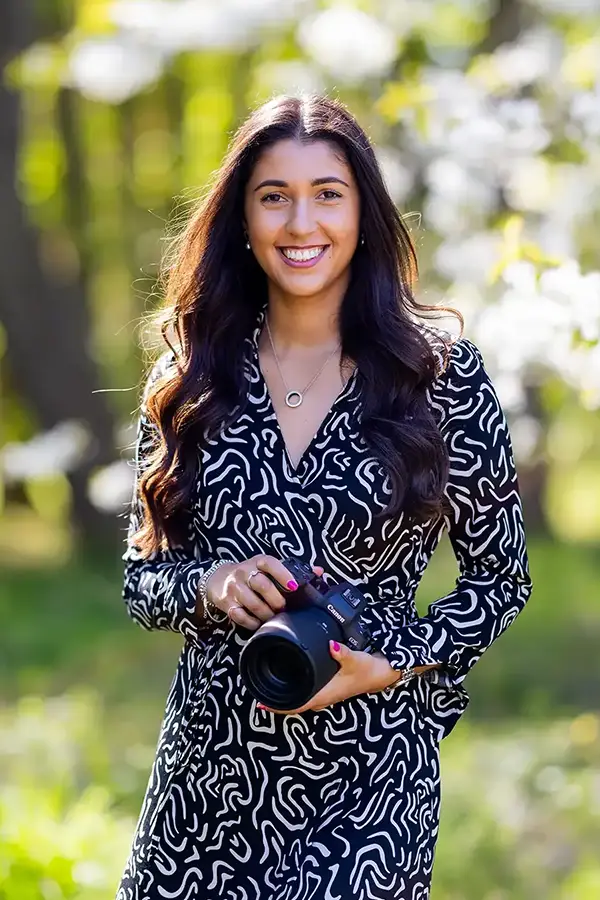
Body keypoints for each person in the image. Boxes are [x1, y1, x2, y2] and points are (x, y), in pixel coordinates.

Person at [116, 94, 533, 900]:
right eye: (274, 196)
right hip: (208, 777)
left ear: (364, 213)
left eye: (327, 194)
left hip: (372, 778)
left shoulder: (440, 378)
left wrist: (394, 661)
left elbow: (499, 583)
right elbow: (141, 580)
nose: (300, 223)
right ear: (242, 216)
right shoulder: (190, 376)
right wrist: (208, 583)